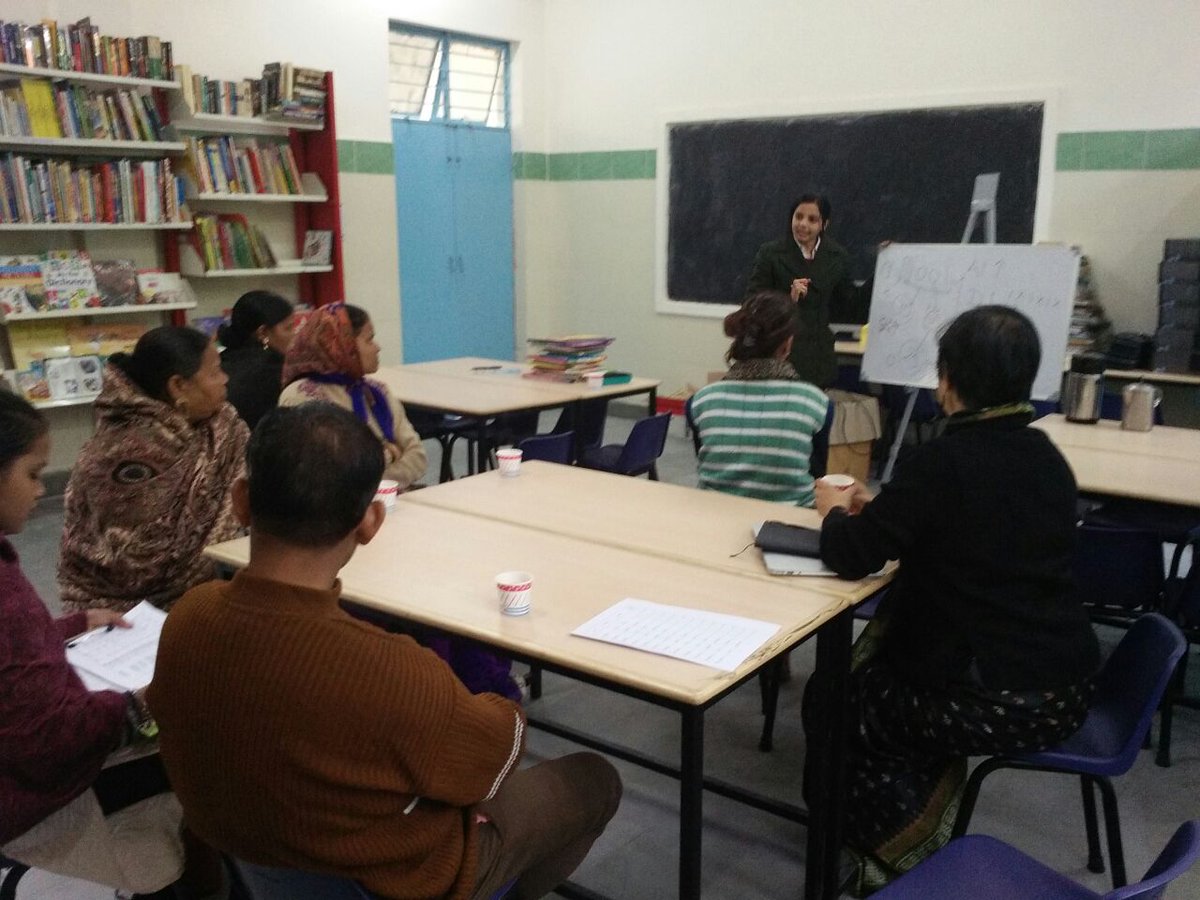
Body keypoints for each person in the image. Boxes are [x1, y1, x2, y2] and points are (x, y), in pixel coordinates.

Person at [147, 402, 622, 900]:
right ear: (372, 520)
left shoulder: (188, 618)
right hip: (400, 879)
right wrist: (493, 684)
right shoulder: (391, 670)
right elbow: (495, 759)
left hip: (258, 864)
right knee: (594, 780)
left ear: (241, 501)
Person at [803, 305, 1099, 895]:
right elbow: (967, 528)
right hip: (1069, 683)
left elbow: (855, 553)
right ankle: (911, 815)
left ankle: (883, 852)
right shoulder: (1047, 457)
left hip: (998, 697)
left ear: (948, 381)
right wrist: (884, 508)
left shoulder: (939, 460)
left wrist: (834, 513)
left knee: (838, 698)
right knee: (882, 686)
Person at [0, 390, 193, 896]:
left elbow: (13, 654)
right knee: (194, 748)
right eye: (33, 474)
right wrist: (137, 705)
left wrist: (74, 624)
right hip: (28, 806)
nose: (41, 492)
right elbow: (50, 743)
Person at [59, 326, 249, 613]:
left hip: (210, 589)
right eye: (214, 372)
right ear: (178, 386)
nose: (225, 379)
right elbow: (135, 564)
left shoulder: (222, 423)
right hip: (119, 609)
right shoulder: (123, 449)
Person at [690, 290, 829, 506]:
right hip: (790, 528)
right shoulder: (816, 403)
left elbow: (707, 460)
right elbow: (818, 473)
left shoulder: (702, 401)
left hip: (714, 521)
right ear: (787, 344)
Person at [279, 302, 427, 489]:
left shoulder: (378, 391)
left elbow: (417, 455)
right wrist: (390, 455)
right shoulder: (301, 397)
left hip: (391, 498)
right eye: (369, 340)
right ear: (343, 344)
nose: (377, 347)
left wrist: (377, 483)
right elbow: (331, 473)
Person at [744, 194, 869, 387]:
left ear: (824, 225)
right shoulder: (770, 253)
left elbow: (851, 307)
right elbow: (752, 303)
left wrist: (885, 269)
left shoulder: (837, 257)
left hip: (818, 358)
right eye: (798, 216)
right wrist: (787, 299)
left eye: (812, 220)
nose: (802, 224)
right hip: (779, 356)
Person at [218, 290, 296, 429]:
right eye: (288, 328)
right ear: (263, 332)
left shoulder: (222, 359)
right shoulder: (274, 371)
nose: (295, 334)